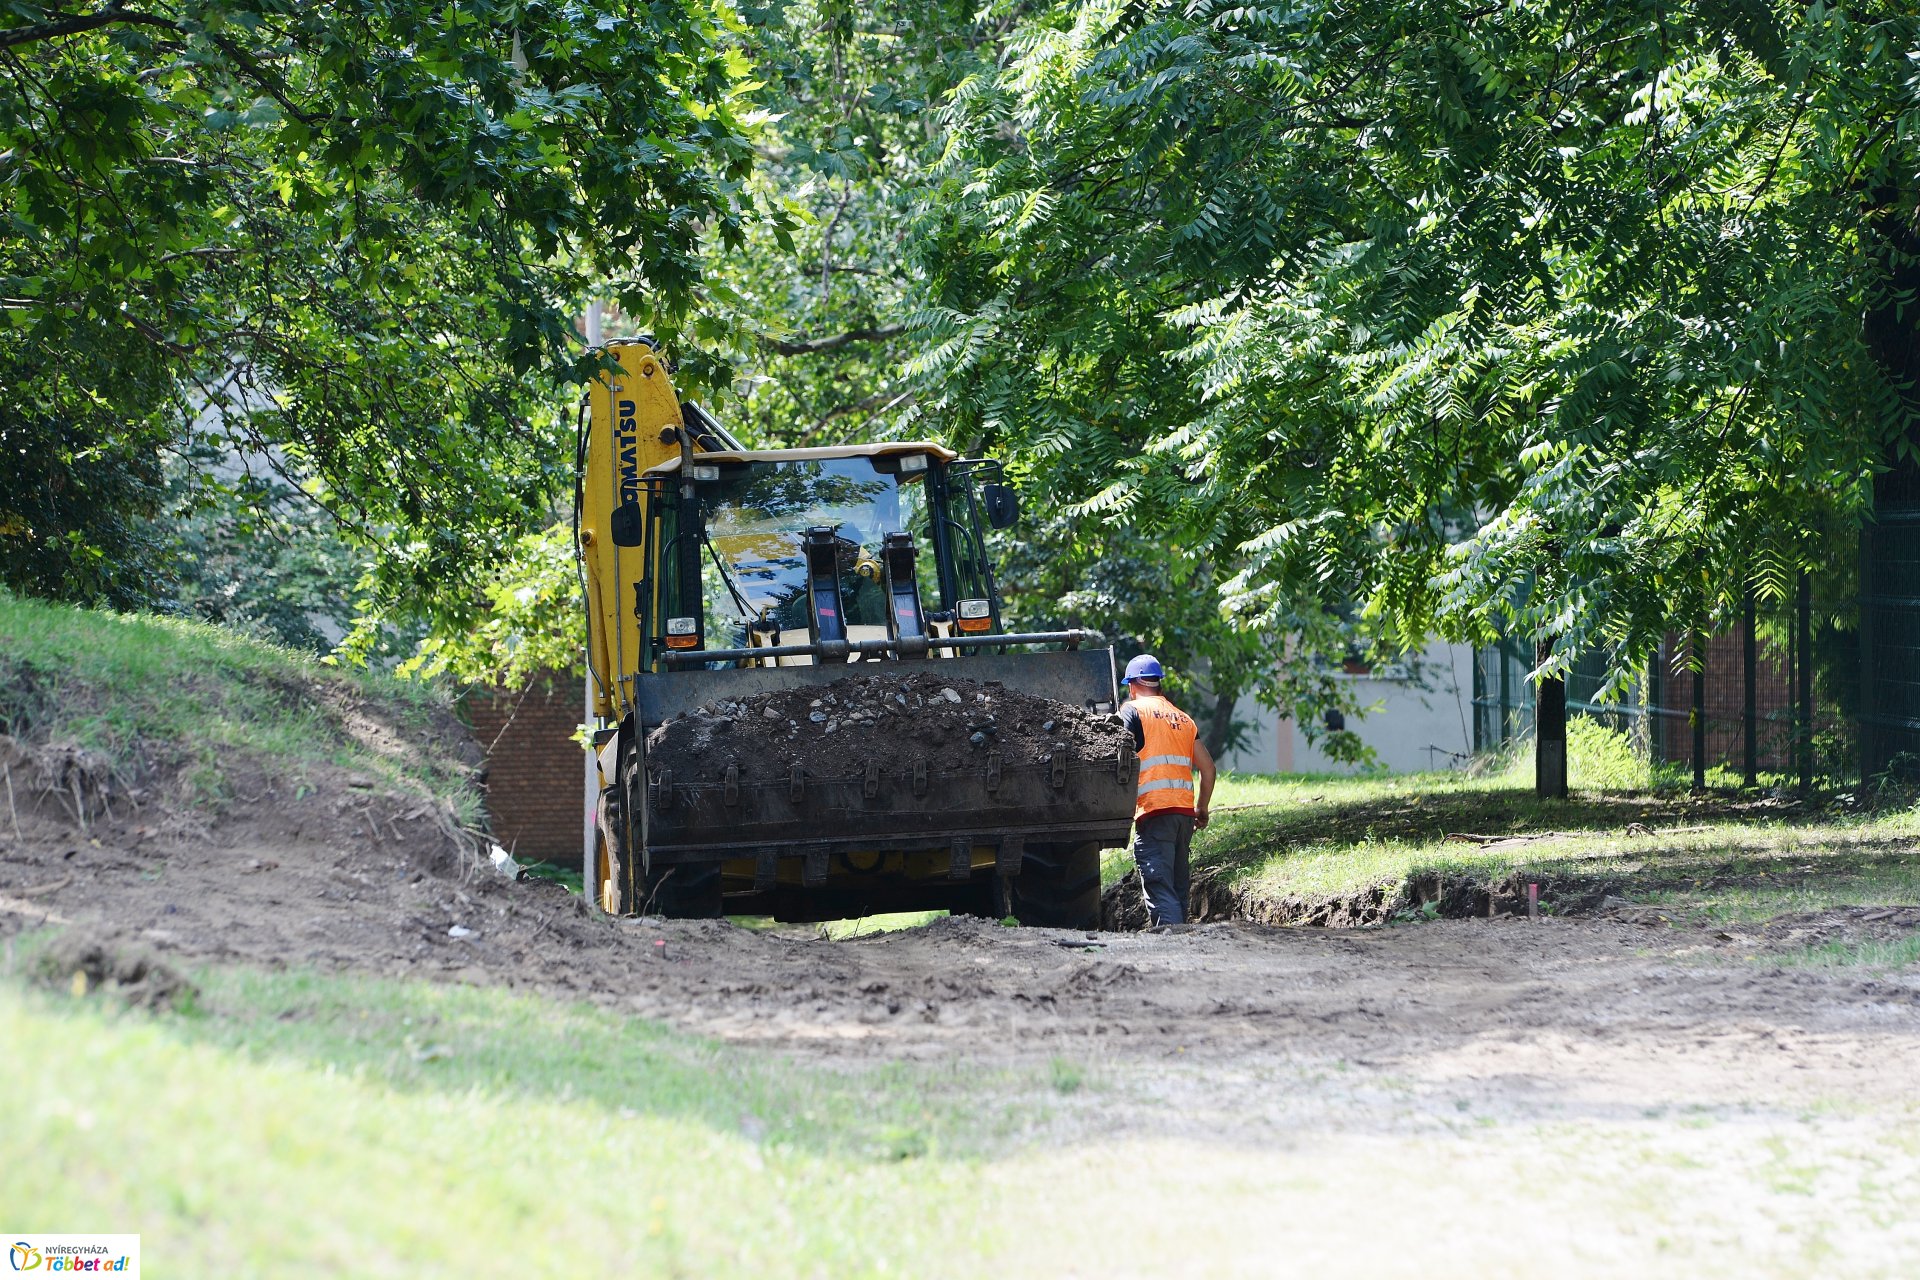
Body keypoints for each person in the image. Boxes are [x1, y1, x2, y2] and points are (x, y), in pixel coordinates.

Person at [1118, 654, 1216, 927]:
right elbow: (1208, 769)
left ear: (1132, 685)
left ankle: (1172, 945)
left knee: (1160, 886)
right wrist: (1202, 808)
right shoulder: (1184, 719)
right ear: (1159, 685)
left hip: (1155, 812)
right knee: (1177, 886)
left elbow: (1119, 756)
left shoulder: (1132, 711)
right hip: (1184, 816)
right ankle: (1182, 943)